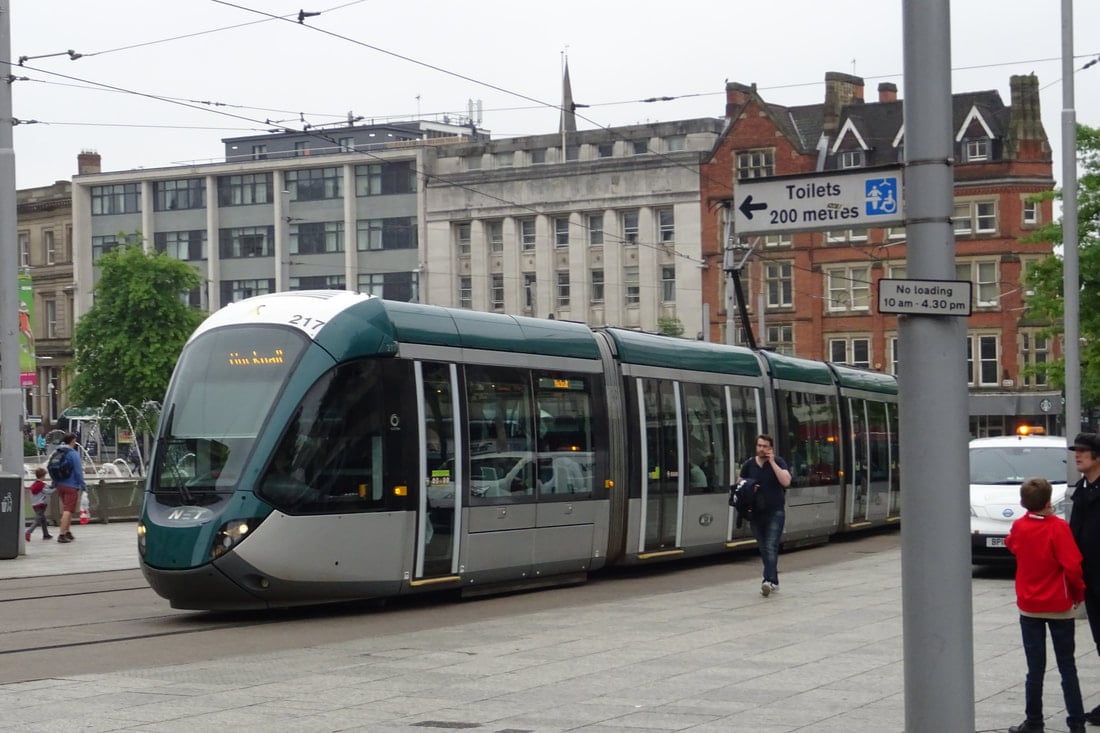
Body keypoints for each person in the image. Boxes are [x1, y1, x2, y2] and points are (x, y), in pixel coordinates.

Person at [1005, 477, 1086, 733]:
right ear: (1049, 500)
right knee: (1067, 666)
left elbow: (1012, 545)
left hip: (1029, 606)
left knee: (1035, 669)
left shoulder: (1019, 526)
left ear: (1022, 502)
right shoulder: (1058, 528)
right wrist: (1078, 593)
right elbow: (1072, 566)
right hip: (1059, 605)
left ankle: (1034, 721)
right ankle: (1076, 723)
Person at [1067, 432, 1100, 725]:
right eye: (1076, 450)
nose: (1077, 455)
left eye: (1083, 451)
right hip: (1091, 580)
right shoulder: (1082, 489)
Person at [739, 433, 792, 597]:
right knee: (764, 548)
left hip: (775, 512)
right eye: (759, 446)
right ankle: (774, 581)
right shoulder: (749, 465)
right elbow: (739, 485)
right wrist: (747, 487)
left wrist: (772, 462)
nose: (762, 449)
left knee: (771, 546)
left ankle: (767, 581)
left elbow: (786, 482)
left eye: (765, 446)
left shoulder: (779, 462)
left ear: (771, 448)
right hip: (755, 513)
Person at [52, 432, 87, 544]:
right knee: (67, 510)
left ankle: (67, 532)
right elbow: (78, 471)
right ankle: (61, 534)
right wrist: (83, 485)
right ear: (72, 441)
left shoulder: (58, 451)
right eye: (75, 440)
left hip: (59, 485)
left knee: (68, 509)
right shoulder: (73, 454)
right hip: (71, 486)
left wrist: (55, 482)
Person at [25, 467, 53, 541]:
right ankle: (28, 532)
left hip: (35, 504)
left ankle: (46, 535)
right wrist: (56, 488)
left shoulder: (34, 484)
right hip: (41, 505)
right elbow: (48, 492)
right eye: (45, 476)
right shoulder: (42, 485)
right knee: (37, 520)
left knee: (43, 520)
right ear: (43, 476)